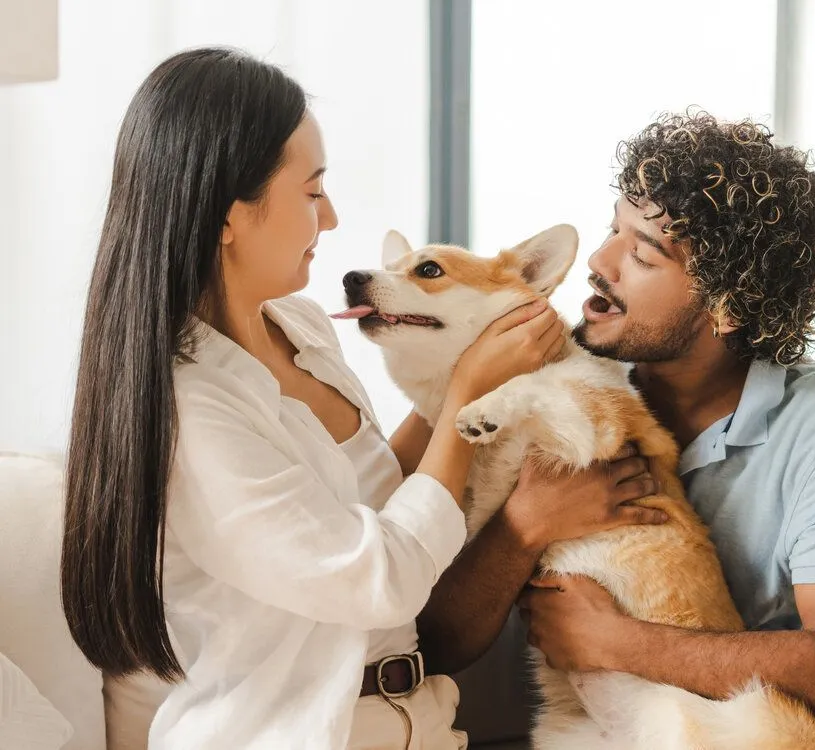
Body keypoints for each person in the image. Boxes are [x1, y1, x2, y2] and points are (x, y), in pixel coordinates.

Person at [58, 48, 663, 750]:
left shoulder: (302, 330)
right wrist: (468, 393)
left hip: (422, 722)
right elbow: (381, 577)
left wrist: (466, 377)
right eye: (313, 193)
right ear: (229, 214)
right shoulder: (196, 412)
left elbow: (380, 487)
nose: (334, 217)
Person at [418, 111, 815, 749]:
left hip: (777, 724)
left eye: (642, 253)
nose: (599, 260)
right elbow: (435, 642)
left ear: (726, 307)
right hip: (595, 723)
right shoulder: (534, 382)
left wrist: (617, 641)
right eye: (615, 228)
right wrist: (525, 523)